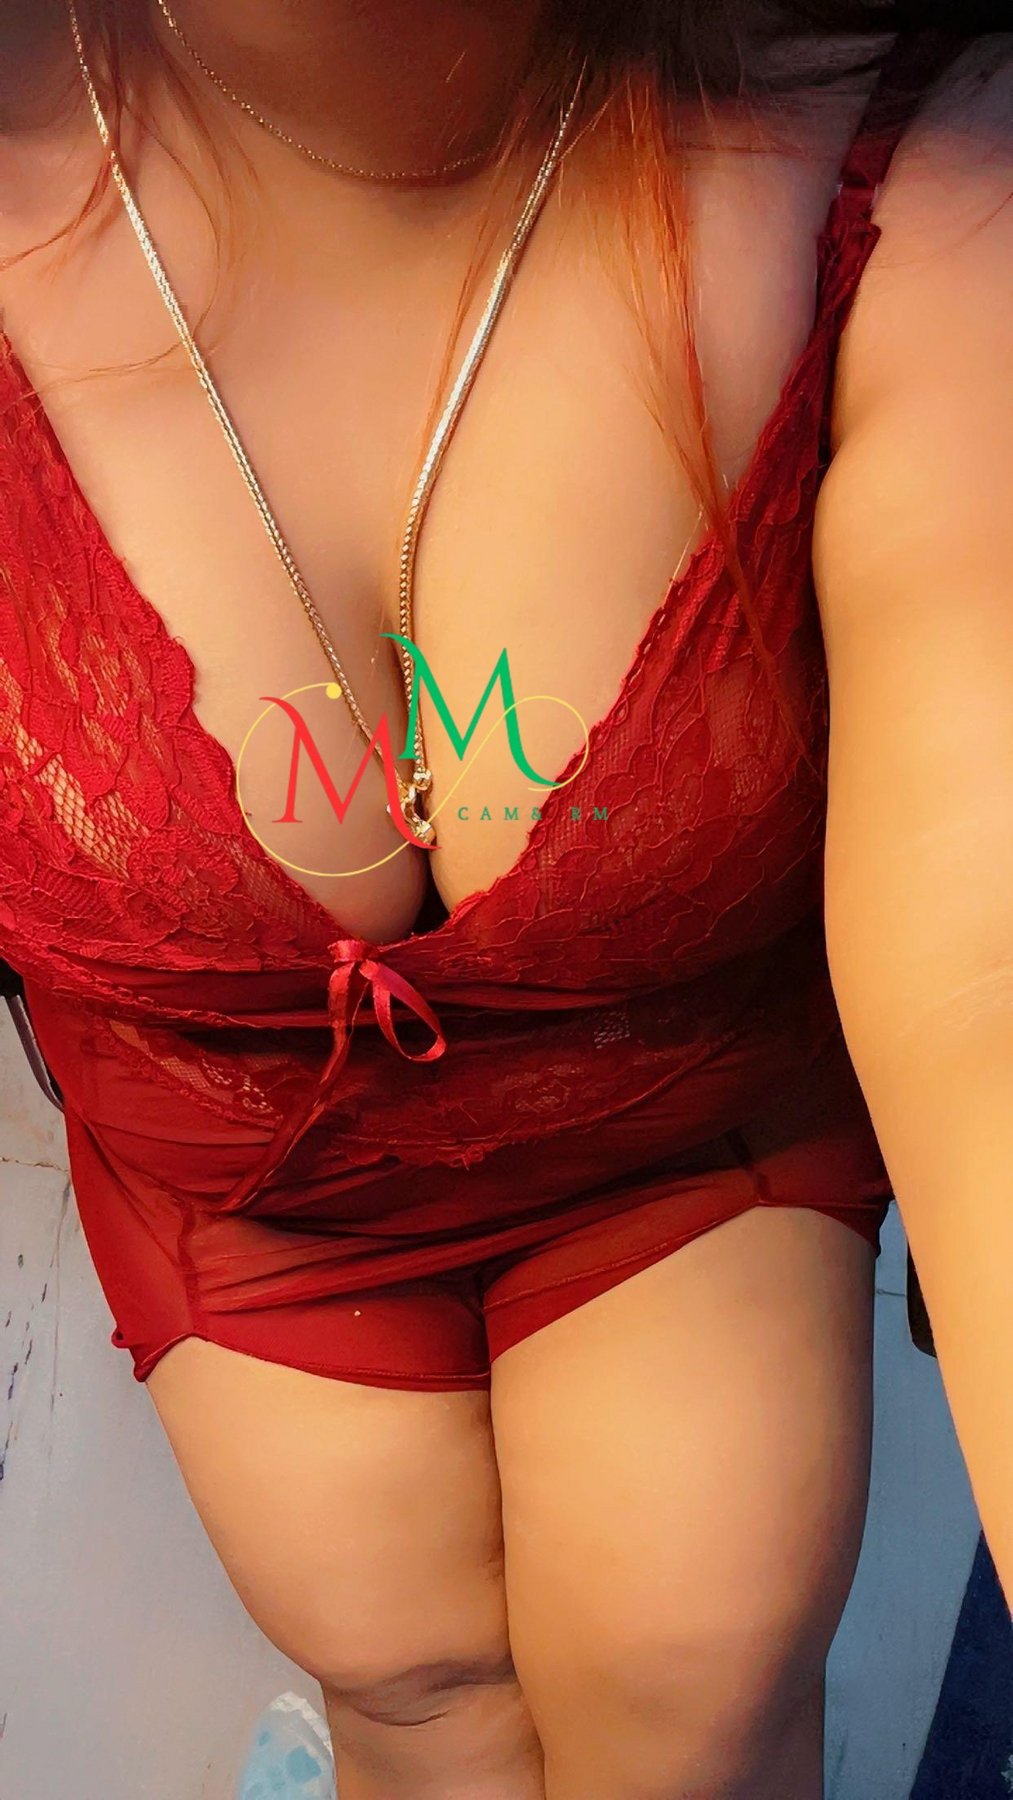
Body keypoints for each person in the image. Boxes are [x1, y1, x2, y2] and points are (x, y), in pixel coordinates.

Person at [0, 4, 1009, 1797]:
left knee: (691, 1691)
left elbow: (985, 975)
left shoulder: (920, 159)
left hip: (678, 1136)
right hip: (244, 1184)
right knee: (415, 1689)